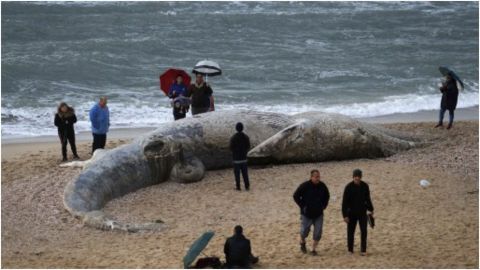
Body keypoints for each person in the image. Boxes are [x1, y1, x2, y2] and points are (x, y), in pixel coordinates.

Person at [293, 169, 330, 256]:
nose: (318, 178)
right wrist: (303, 206)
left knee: (318, 232)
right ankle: (302, 242)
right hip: (306, 214)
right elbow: (295, 196)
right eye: (316, 177)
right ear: (311, 177)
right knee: (304, 231)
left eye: (319, 177)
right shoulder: (305, 185)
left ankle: (313, 250)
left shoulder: (322, 186)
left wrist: (323, 206)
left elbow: (327, 196)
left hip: (319, 214)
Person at [342, 169, 374, 256]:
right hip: (351, 213)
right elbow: (344, 203)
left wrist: (371, 209)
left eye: (358, 176)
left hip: (362, 212)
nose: (357, 178)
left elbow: (368, 199)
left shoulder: (365, 186)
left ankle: (363, 250)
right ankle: (350, 250)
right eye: (355, 176)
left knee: (364, 230)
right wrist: (345, 215)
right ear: (353, 177)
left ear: (361, 177)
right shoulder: (348, 187)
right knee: (350, 231)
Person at [229, 122, 251, 191]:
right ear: (242, 128)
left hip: (236, 159)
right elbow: (248, 146)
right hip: (244, 158)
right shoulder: (246, 137)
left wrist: (234, 152)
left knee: (237, 174)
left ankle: (238, 187)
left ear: (236, 128)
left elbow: (231, 147)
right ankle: (247, 186)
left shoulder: (233, 138)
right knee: (245, 174)